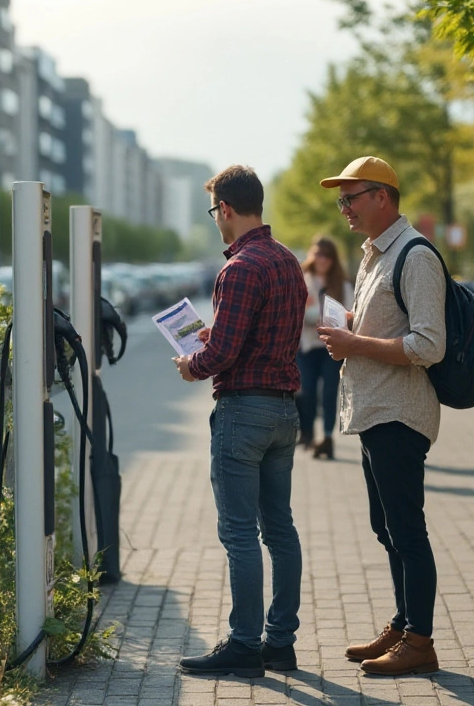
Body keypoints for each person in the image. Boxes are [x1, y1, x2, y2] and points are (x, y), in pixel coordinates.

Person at [172, 165, 307, 678]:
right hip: (282, 411)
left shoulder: (239, 268)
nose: (215, 221)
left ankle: (245, 646)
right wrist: (217, 338)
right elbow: (257, 335)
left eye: (214, 212)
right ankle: (281, 642)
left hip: (242, 414)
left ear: (224, 209)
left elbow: (225, 352)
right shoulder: (288, 262)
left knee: (239, 534)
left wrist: (192, 364)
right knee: (280, 528)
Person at [315, 156, 446, 677]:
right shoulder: (374, 255)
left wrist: (355, 342)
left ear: (382, 197)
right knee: (385, 525)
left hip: (400, 412)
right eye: (340, 199)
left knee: (406, 530)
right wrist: (349, 326)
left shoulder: (415, 256)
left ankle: (420, 641)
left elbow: (428, 344)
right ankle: (402, 622)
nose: (343, 207)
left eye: (351, 197)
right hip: (373, 409)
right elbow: (387, 324)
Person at [297, 236, 353, 459]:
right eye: (318, 254)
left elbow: (349, 314)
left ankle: (328, 437)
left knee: (330, 392)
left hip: (332, 347)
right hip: (308, 346)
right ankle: (307, 432)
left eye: (326, 256)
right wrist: (312, 318)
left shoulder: (342, 284)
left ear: (333, 260)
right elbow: (295, 309)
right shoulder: (303, 280)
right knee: (307, 392)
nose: (321, 259)